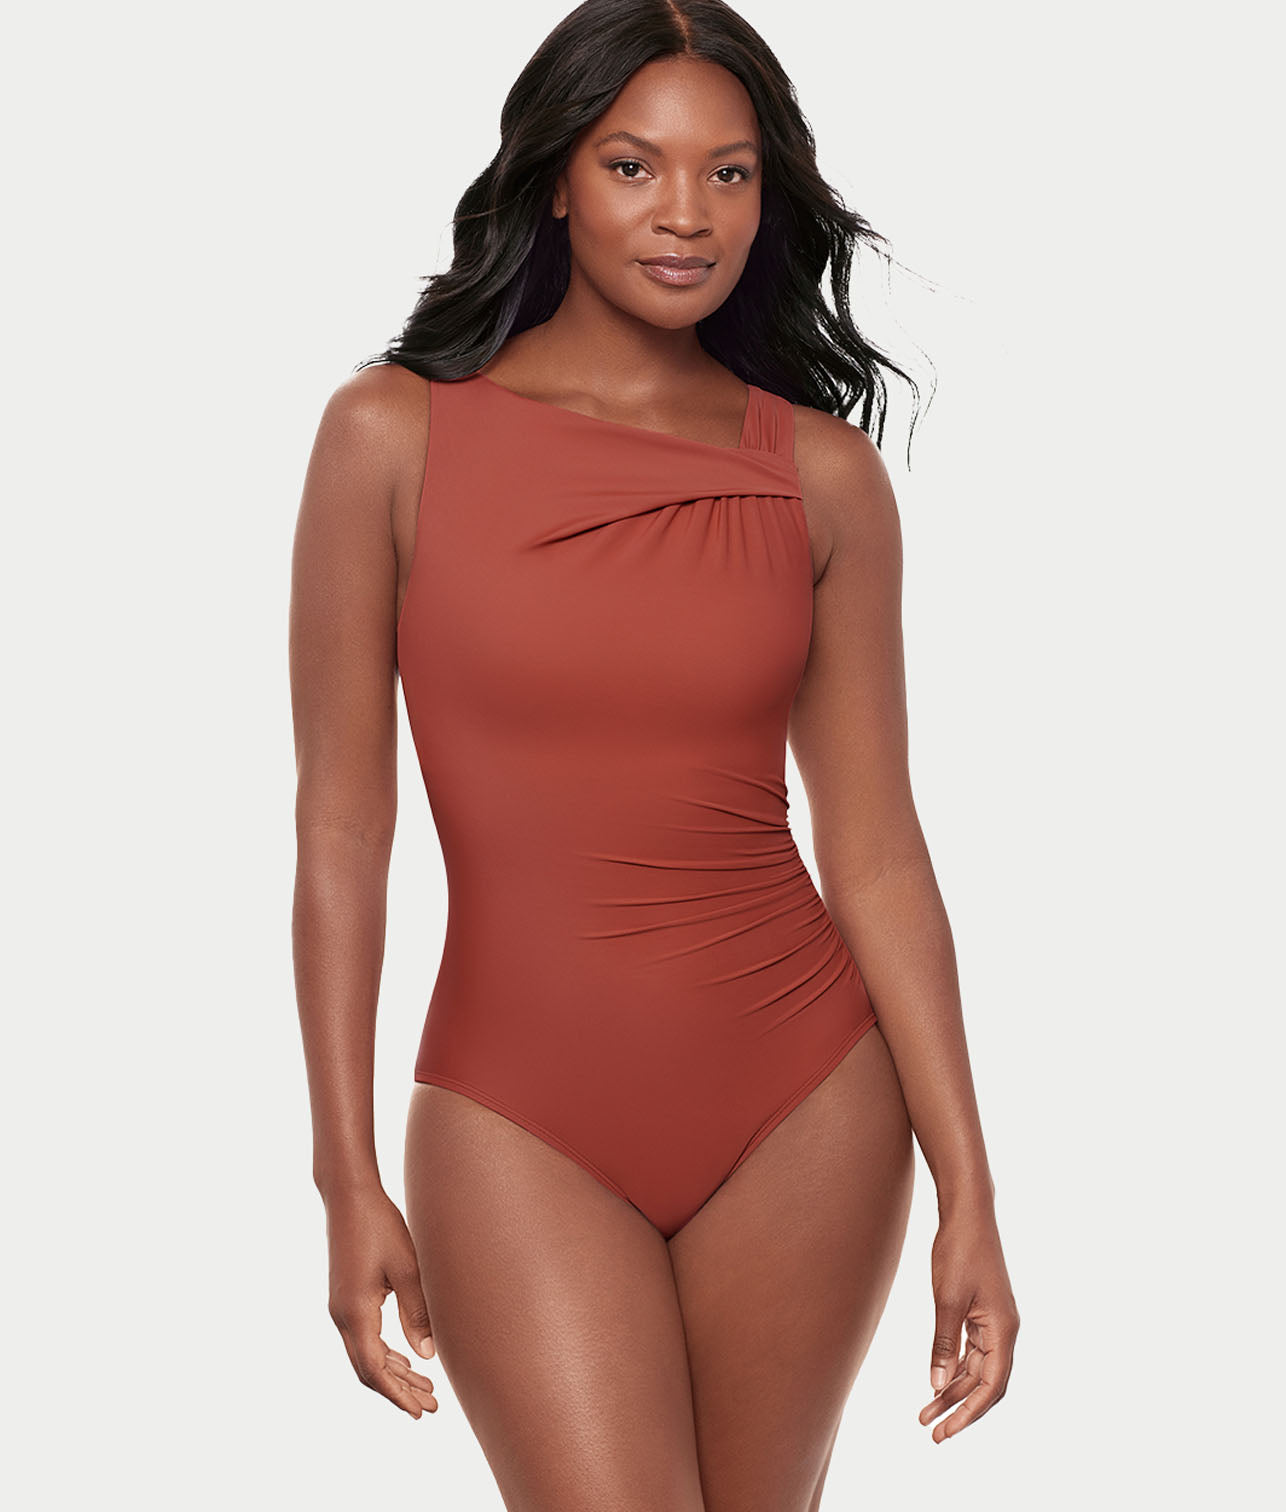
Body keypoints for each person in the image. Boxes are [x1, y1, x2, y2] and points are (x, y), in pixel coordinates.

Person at [289, 1, 1019, 1504]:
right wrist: (341, 1169)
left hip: (806, 1102)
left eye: (728, 173)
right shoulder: (389, 437)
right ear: (556, 177)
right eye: (634, 166)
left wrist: (971, 1190)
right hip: (515, 1110)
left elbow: (877, 848)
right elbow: (341, 829)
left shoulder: (822, 478)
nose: (686, 214)